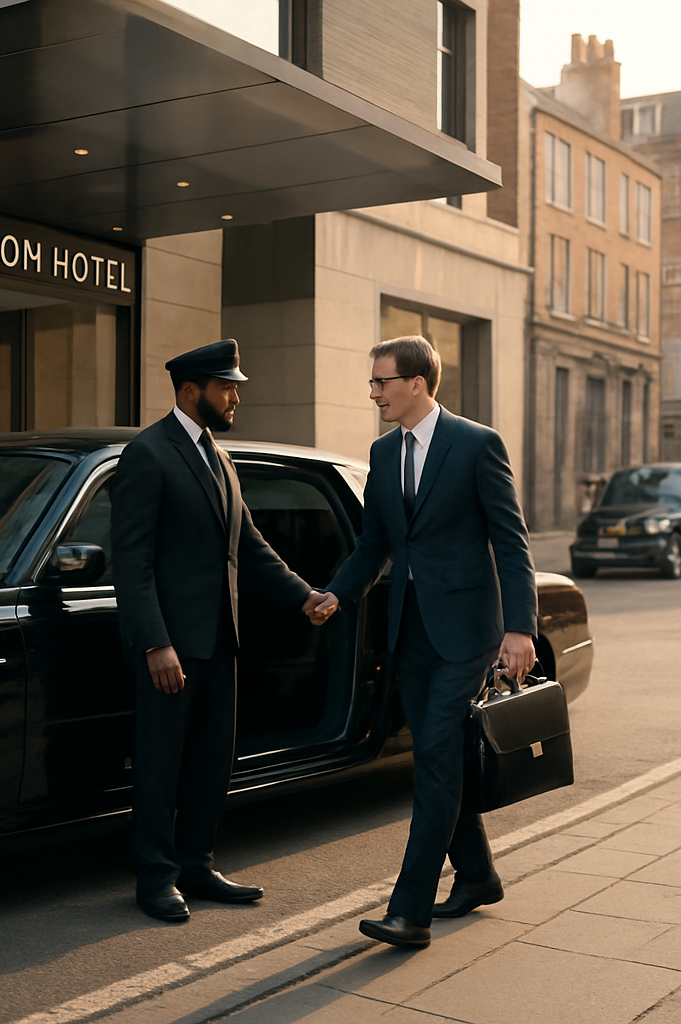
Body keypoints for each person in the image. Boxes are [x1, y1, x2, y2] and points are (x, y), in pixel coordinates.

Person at [309, 336, 537, 949]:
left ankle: (409, 913)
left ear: (417, 383)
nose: (373, 393)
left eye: (381, 382)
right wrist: (337, 594)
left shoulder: (477, 444)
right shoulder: (383, 453)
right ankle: (478, 875)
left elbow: (510, 540)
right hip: (410, 631)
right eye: (372, 382)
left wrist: (520, 628)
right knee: (443, 757)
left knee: (435, 759)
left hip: (467, 633)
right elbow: (374, 544)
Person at [111, 339, 330, 923]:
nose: (236, 397)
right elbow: (132, 563)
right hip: (170, 648)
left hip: (221, 641)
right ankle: (155, 879)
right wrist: (156, 642)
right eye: (226, 387)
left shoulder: (219, 457)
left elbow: (249, 547)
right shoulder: (147, 454)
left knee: (211, 764)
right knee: (160, 767)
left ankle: (196, 866)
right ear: (190, 391)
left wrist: (304, 595)